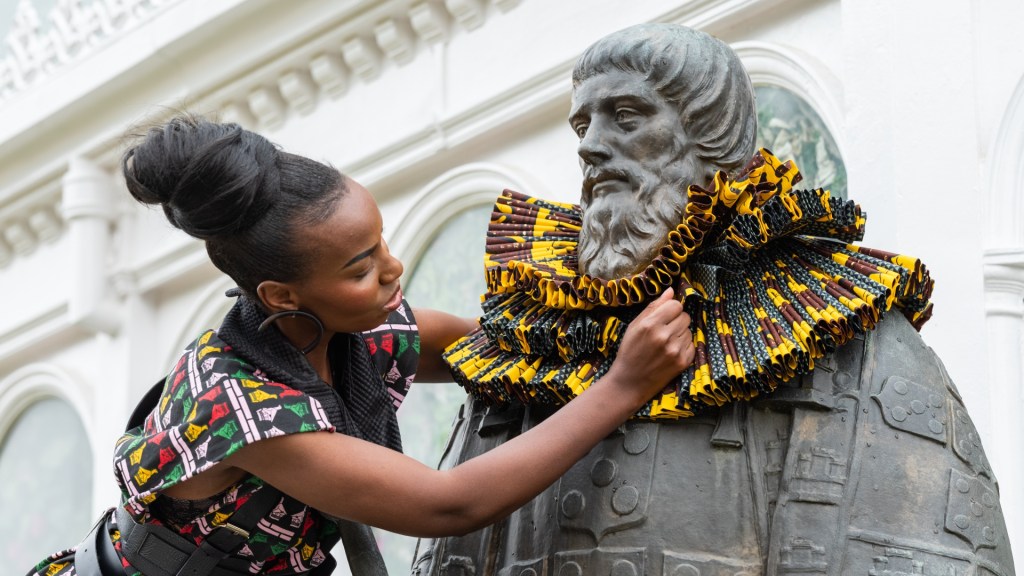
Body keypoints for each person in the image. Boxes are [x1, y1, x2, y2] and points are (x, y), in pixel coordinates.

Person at [413, 23, 1015, 576]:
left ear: (709, 136)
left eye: (626, 115)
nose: (590, 146)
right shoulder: (527, 338)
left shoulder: (844, 331)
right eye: (582, 125)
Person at [27, 113, 696, 576]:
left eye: (379, 244)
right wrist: (623, 386)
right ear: (280, 296)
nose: (392, 270)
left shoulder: (355, 331)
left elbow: (495, 347)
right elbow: (448, 504)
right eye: (359, 268)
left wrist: (615, 313)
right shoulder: (243, 410)